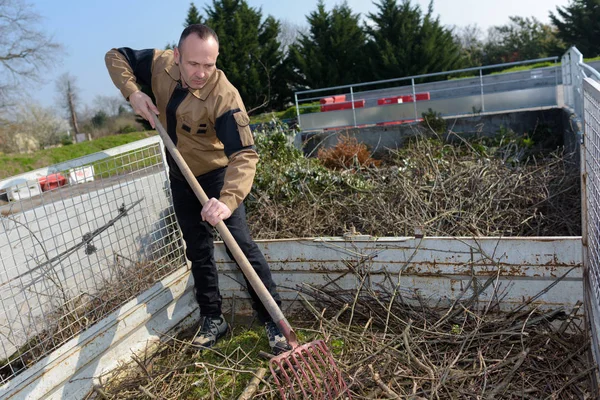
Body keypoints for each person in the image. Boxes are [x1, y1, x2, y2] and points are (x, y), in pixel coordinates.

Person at [105, 24, 290, 355]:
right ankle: (213, 318)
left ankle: (274, 320)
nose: (202, 73)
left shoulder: (224, 97)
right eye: (193, 64)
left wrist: (227, 201)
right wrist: (133, 92)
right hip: (180, 176)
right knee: (198, 248)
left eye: (209, 64)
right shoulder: (160, 65)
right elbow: (116, 56)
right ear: (177, 56)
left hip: (218, 177)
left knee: (240, 247)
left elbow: (245, 156)